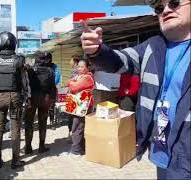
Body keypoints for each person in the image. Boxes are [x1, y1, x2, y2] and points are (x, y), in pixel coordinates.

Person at [81, 0, 190, 178]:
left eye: (175, 2)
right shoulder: (153, 46)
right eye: (159, 8)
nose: (166, 10)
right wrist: (97, 51)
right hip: (161, 154)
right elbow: (121, 60)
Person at [0, 31, 28, 169]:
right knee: (15, 128)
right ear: (14, 43)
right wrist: (25, 96)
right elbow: (24, 80)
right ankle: (15, 161)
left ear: (0, 42)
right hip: (15, 97)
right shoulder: (19, 59)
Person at [24, 51, 55, 154]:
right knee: (43, 123)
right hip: (45, 98)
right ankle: (41, 146)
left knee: (29, 123)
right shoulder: (50, 70)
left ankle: (28, 147)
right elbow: (52, 87)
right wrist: (52, 99)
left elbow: (26, 84)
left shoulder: (30, 70)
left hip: (32, 98)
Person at [63, 59, 95, 156]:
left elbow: (73, 87)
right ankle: (81, 148)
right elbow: (67, 82)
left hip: (83, 106)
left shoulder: (87, 77)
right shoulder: (80, 76)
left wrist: (71, 82)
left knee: (77, 127)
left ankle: (76, 151)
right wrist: (71, 82)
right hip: (78, 105)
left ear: (87, 68)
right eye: (78, 66)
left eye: (82, 67)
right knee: (78, 126)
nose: (79, 68)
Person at [48, 60, 60, 130]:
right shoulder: (54, 66)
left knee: (49, 107)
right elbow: (57, 77)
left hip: (46, 89)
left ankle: (51, 122)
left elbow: (57, 77)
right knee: (51, 107)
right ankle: (51, 123)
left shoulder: (54, 66)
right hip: (51, 89)